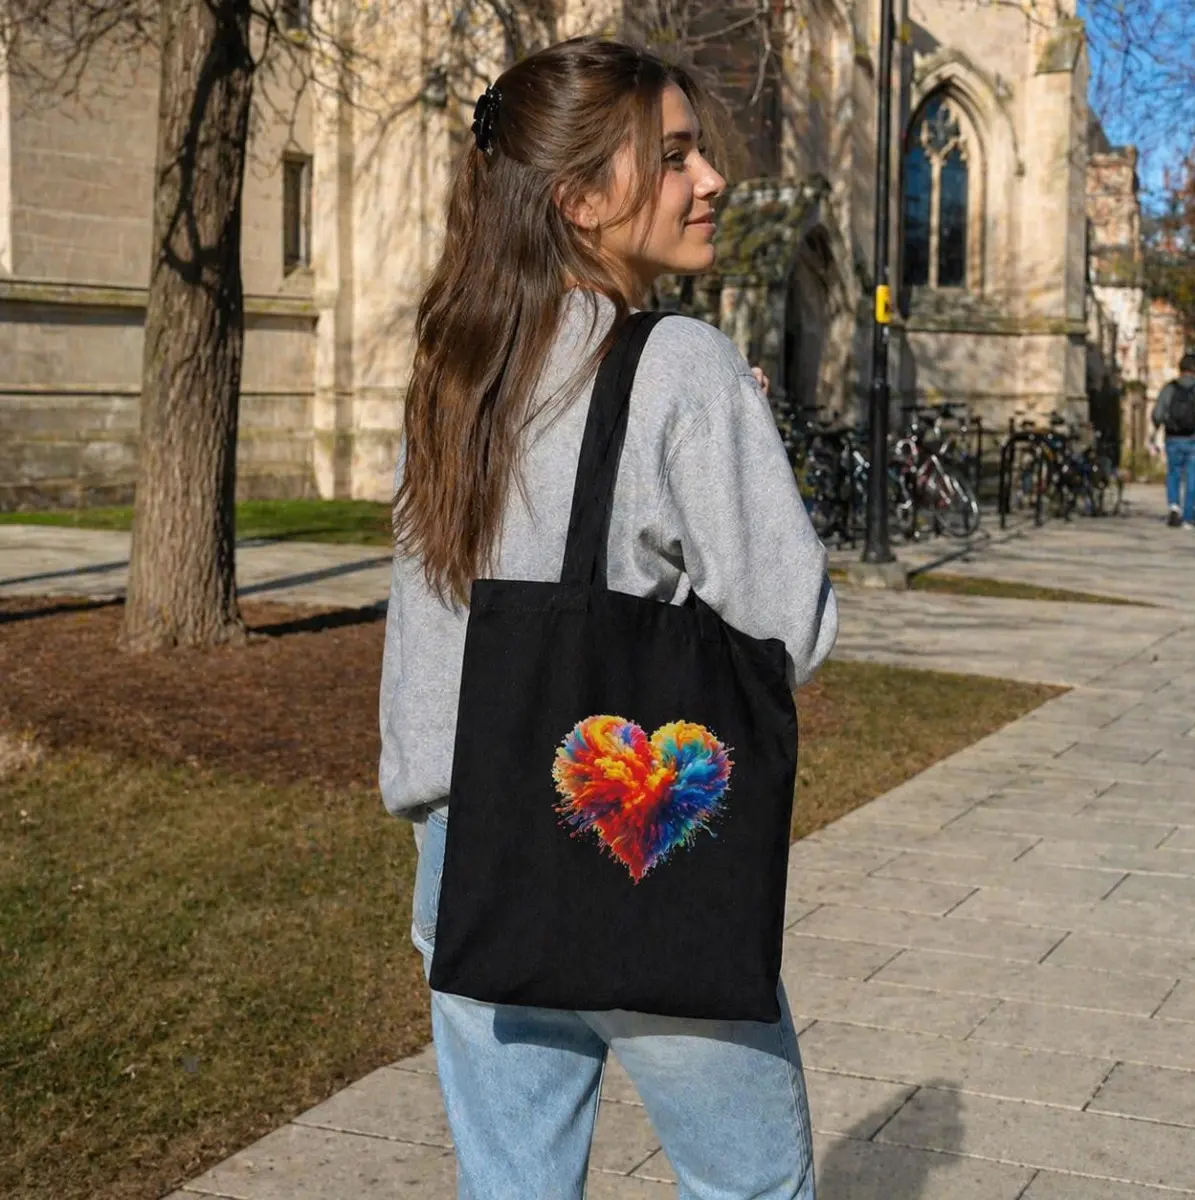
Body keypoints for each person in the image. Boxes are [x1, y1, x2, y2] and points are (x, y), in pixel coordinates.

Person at [380, 37, 837, 1200]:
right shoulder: (678, 363)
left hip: (465, 853)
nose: (711, 181)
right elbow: (793, 625)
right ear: (581, 198)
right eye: (674, 157)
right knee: (751, 1183)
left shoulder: (456, 366)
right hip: (641, 847)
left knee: (517, 1187)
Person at [1151, 353, 1195, 527]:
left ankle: (1174, 506)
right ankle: (1188, 517)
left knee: (1174, 473)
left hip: (1172, 437)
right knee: (1193, 477)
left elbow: (1157, 414)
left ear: (1180, 369)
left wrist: (1157, 427)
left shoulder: (1169, 388)